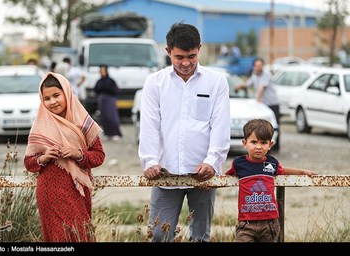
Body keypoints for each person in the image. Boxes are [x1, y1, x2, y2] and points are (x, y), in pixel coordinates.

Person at [138, 22, 231, 242]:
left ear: (199, 48)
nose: (186, 63)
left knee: (200, 236)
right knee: (159, 234)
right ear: (168, 51)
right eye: (179, 57)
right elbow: (149, 124)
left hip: (203, 174)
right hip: (165, 172)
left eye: (191, 56)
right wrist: (150, 161)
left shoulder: (216, 81)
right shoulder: (155, 83)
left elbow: (220, 124)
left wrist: (212, 162)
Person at [24, 72, 105, 242]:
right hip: (49, 193)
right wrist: (43, 158)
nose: (52, 102)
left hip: (77, 192)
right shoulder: (40, 125)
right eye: (46, 98)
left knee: (80, 235)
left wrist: (79, 154)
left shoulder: (83, 122)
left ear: (67, 93)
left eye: (56, 95)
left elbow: (99, 156)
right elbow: (29, 163)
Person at [225, 119, 316, 242]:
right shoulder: (238, 163)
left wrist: (302, 172)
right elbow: (225, 178)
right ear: (244, 143)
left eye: (263, 142)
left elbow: (282, 170)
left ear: (270, 145)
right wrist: (209, 183)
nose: (258, 146)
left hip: (269, 223)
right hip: (246, 223)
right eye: (253, 142)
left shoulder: (271, 163)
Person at [235, 57, 281, 152]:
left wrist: (258, 101)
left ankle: (275, 146)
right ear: (254, 67)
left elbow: (262, 88)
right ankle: (264, 144)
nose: (259, 68)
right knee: (263, 126)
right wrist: (238, 87)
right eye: (257, 66)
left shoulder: (266, 74)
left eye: (260, 66)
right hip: (263, 106)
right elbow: (248, 84)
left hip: (272, 104)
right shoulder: (254, 75)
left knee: (274, 125)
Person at [94, 64, 122, 141]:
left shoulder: (111, 81)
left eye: (103, 71)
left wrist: (114, 99)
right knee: (104, 118)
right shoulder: (99, 81)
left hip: (110, 100)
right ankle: (107, 133)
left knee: (111, 117)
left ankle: (115, 133)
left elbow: (116, 90)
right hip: (101, 101)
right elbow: (96, 90)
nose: (101, 72)